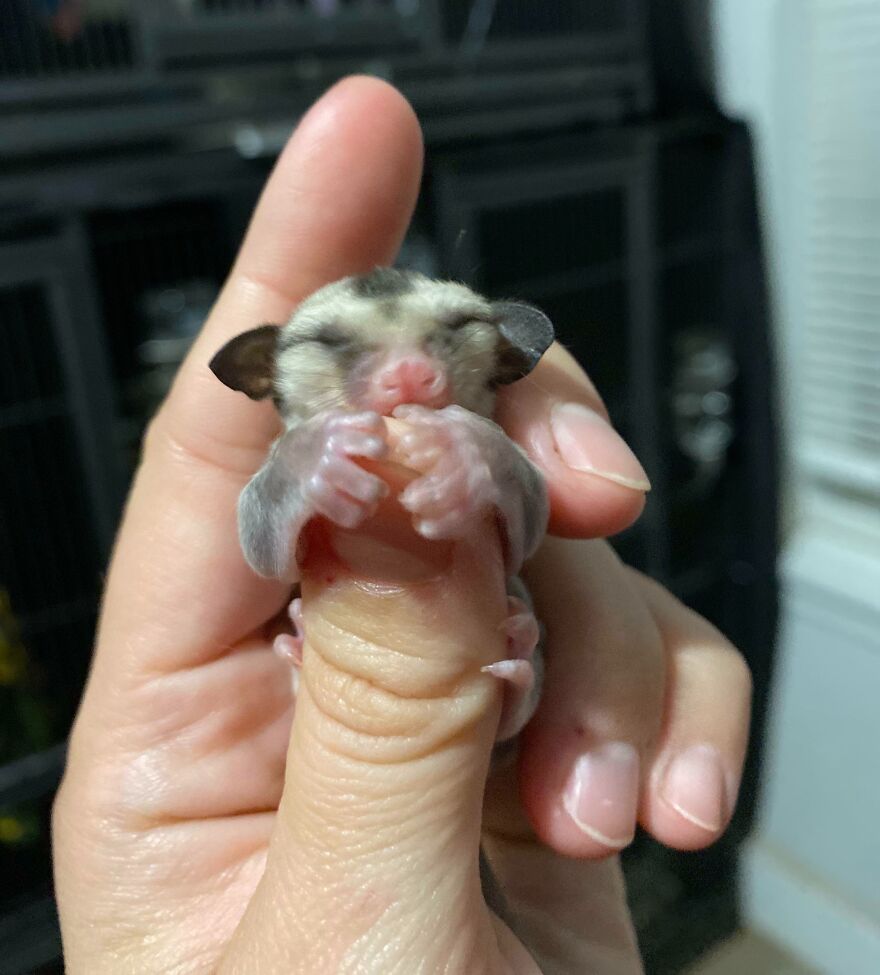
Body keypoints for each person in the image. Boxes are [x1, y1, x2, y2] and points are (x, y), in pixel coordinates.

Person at [52, 77, 751, 974]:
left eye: (449, 334)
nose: (410, 375)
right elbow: (265, 540)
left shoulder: (487, 433)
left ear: (499, 351)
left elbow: (530, 524)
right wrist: (303, 471)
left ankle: (513, 698)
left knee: (527, 606)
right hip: (299, 760)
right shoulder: (278, 466)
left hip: (485, 739)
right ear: (267, 374)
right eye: (342, 349)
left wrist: (485, 463)